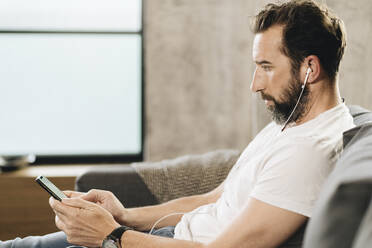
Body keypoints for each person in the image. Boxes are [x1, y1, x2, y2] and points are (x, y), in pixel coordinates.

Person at [0, 1, 355, 247]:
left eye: (265, 67)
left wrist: (112, 236)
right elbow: (215, 199)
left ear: (309, 68)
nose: (254, 84)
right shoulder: (292, 123)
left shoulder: (312, 150)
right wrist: (124, 215)